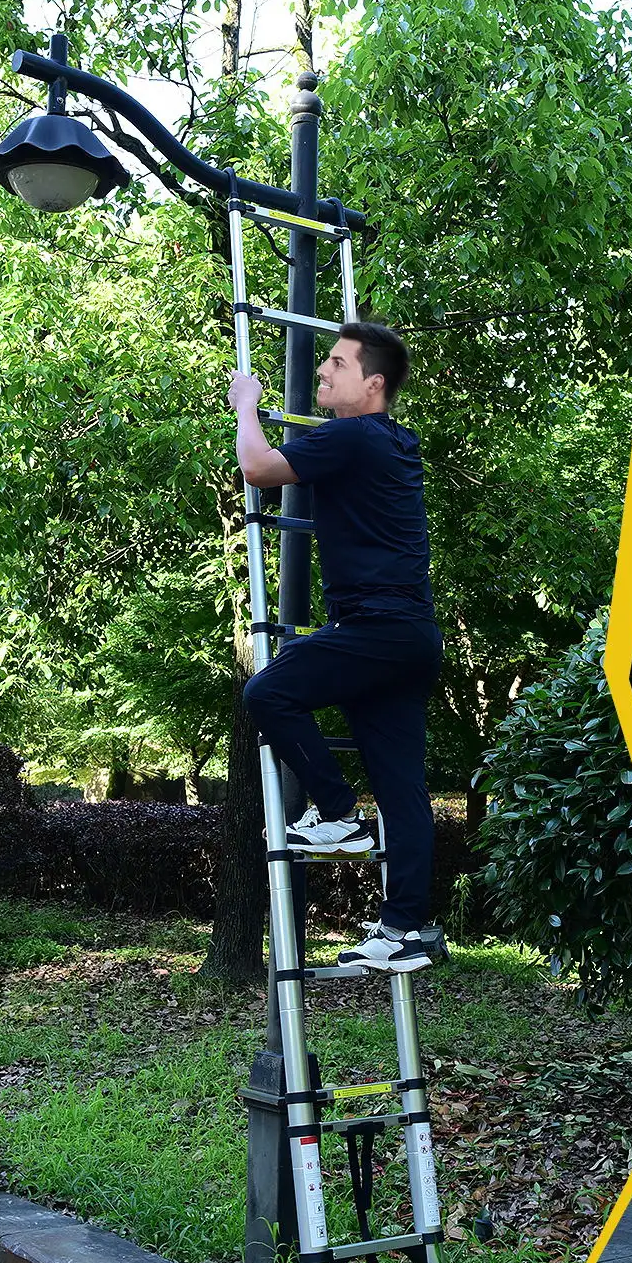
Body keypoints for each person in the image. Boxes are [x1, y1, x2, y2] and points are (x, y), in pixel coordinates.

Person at [227, 322, 444, 972]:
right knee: (404, 788)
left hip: (374, 629)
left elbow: (258, 468)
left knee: (269, 692)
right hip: (411, 638)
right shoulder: (396, 442)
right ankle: (409, 929)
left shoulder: (350, 436)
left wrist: (246, 403)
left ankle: (338, 810)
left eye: (338, 364)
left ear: (372, 385)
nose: (323, 371)